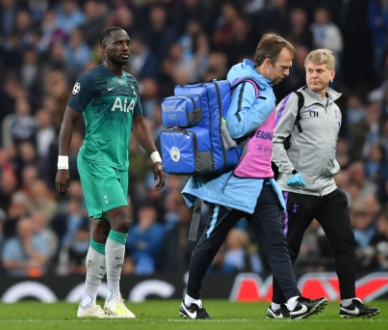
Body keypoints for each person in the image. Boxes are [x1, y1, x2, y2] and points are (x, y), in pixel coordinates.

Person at [180, 33, 327, 320]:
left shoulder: (259, 86)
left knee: (277, 244)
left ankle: (287, 304)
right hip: (233, 183)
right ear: (268, 63)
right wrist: (266, 104)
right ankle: (190, 301)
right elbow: (235, 128)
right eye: (284, 67)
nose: (287, 72)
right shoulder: (249, 86)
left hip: (259, 180)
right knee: (210, 243)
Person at [55, 27, 166, 319]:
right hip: (95, 161)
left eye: (128, 42)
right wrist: (62, 165)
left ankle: (87, 303)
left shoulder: (130, 83)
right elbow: (68, 121)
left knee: (103, 229)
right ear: (104, 48)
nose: (126, 47)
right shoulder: (91, 79)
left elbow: (140, 123)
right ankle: (114, 298)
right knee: (123, 220)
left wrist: (155, 158)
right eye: (119, 43)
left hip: (120, 164)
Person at [271, 49, 381, 318]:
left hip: (326, 189)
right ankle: (277, 306)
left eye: (320, 70)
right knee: (289, 249)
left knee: (345, 243)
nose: (314, 75)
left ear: (332, 74)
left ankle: (349, 303)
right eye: (310, 70)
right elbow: (273, 140)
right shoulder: (295, 100)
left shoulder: (335, 108)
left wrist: (330, 170)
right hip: (296, 189)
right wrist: (289, 171)